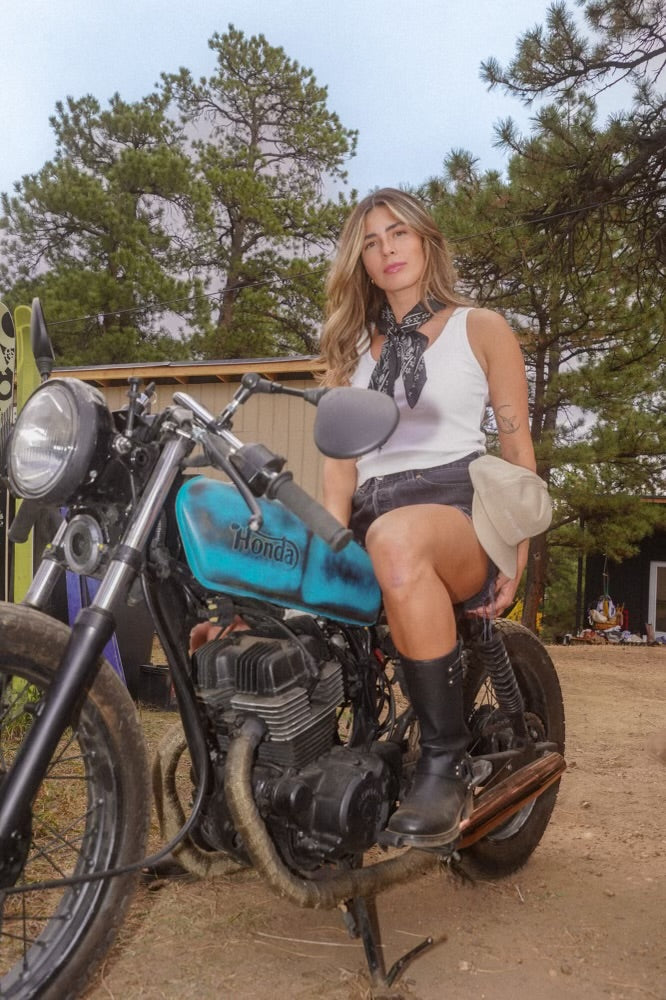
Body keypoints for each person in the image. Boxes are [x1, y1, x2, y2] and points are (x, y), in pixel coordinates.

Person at [318, 187, 540, 848]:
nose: (387, 250)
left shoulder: (482, 327)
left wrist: (516, 546)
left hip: (457, 508)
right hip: (372, 514)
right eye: (371, 241)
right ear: (359, 260)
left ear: (426, 241)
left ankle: (446, 759)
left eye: (399, 234)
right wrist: (325, 546)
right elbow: (338, 471)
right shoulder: (351, 346)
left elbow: (516, 445)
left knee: (396, 538)